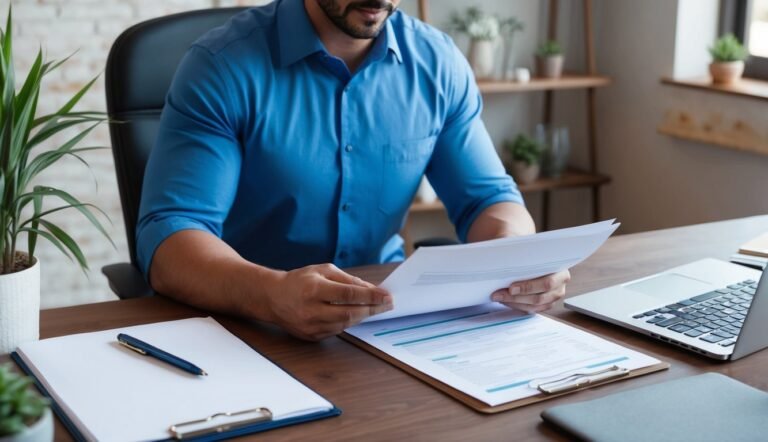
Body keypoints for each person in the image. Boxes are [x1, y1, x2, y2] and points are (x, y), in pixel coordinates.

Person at [137, 0, 570, 341]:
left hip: (386, 321)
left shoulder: (437, 63)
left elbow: (488, 200)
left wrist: (517, 257)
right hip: (246, 325)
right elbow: (172, 238)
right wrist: (272, 295)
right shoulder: (222, 66)